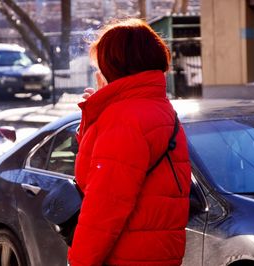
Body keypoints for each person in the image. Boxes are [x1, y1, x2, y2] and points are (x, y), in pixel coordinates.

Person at [68, 18, 191, 266]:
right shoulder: (156, 107)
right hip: (155, 253)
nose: (97, 72)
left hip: (126, 256)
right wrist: (100, 109)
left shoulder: (124, 119)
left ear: (115, 64)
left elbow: (103, 207)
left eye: (100, 64)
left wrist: (79, 262)